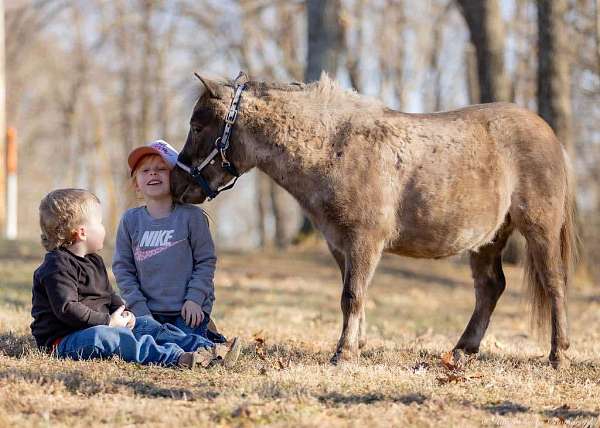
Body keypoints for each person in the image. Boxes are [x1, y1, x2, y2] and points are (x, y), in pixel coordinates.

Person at [30, 188, 240, 369]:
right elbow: (68, 309)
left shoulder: (93, 261)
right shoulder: (56, 266)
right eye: (100, 223)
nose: (104, 228)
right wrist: (108, 322)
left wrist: (125, 312)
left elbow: (107, 296)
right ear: (82, 232)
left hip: (102, 325)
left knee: (147, 325)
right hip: (66, 340)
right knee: (111, 337)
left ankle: (206, 348)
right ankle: (178, 358)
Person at [112, 140, 226, 343]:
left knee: (175, 341)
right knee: (150, 341)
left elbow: (205, 263)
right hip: (147, 311)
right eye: (145, 170)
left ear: (175, 177)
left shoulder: (192, 218)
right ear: (136, 182)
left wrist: (195, 299)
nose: (153, 174)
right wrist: (139, 309)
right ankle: (207, 344)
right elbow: (123, 269)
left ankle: (202, 337)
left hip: (187, 309)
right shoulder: (130, 220)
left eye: (161, 169)